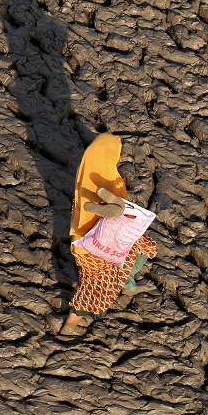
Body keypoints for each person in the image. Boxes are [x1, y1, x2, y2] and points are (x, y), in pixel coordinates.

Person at [59, 133, 156, 336]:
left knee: (140, 248)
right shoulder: (112, 180)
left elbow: (81, 213)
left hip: (86, 244)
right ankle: (70, 325)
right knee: (94, 288)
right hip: (99, 249)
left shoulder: (86, 176)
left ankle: (127, 282)